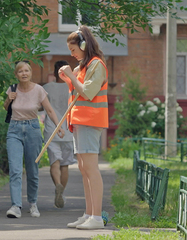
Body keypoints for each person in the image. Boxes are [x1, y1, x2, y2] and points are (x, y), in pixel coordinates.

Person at [58, 25, 108, 229]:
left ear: (84, 45)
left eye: (73, 50)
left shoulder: (97, 65)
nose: (72, 54)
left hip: (90, 120)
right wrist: (69, 77)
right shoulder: (86, 66)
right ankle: (89, 214)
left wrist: (70, 76)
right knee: (83, 168)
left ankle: (96, 217)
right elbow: (77, 90)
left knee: (91, 169)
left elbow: (87, 93)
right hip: (79, 121)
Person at [4, 61, 65, 219]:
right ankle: (16, 206)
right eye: (20, 71)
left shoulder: (39, 90)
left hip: (32, 130)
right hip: (14, 130)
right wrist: (8, 99)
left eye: (26, 71)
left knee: (32, 170)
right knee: (15, 170)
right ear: (16, 74)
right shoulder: (12, 89)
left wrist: (58, 127)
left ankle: (33, 204)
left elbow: (49, 110)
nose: (23, 74)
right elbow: (6, 108)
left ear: (31, 73)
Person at [42, 60, 77, 209]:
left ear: (55, 72)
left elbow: (40, 107)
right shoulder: (73, 88)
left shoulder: (46, 88)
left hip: (52, 130)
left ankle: (57, 185)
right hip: (69, 131)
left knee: (54, 163)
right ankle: (61, 192)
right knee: (65, 165)